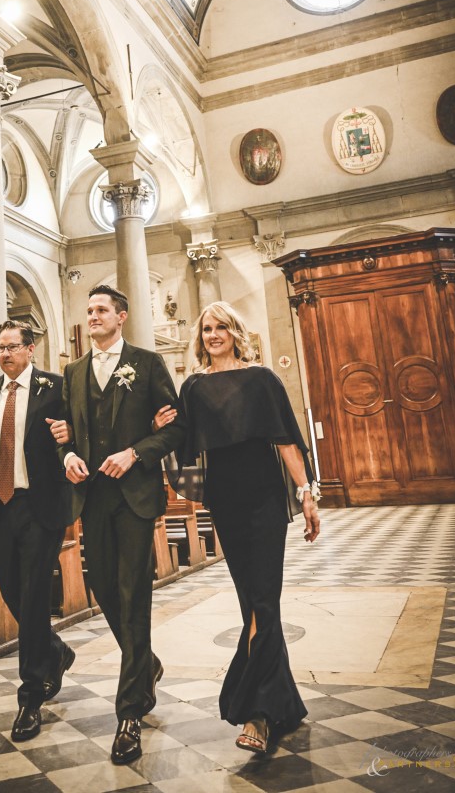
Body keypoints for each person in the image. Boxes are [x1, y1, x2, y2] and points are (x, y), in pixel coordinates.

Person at [161, 301, 320, 755]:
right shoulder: (192, 387)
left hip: (267, 498)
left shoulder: (262, 379)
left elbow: (287, 440)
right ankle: (283, 703)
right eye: (207, 328)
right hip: (225, 501)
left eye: (221, 327)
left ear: (235, 332)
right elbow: (180, 440)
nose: (213, 335)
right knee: (251, 601)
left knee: (264, 601)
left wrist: (306, 493)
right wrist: (160, 425)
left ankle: (256, 712)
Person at [48, 284, 185, 765]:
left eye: (101, 310)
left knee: (133, 594)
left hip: (134, 498)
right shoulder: (73, 372)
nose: (93, 317)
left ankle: (129, 713)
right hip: (92, 499)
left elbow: (175, 426)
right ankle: (145, 662)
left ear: (121, 316)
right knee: (103, 587)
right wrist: (66, 455)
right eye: (88, 311)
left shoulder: (146, 365)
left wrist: (135, 452)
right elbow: (61, 431)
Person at [0, 321, 75, 742]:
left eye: (12, 347)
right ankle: (55, 651)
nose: (5, 354)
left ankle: (30, 695)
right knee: (9, 584)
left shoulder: (55, 387)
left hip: (39, 506)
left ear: (31, 349)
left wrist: (72, 440)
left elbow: (73, 439)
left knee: (34, 590)